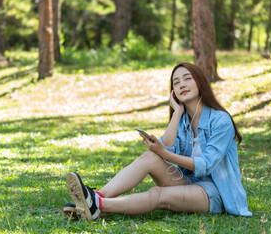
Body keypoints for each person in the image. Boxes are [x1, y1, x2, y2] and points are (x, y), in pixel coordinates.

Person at [64, 62, 252, 221]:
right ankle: (96, 197)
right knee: (150, 156)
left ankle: (97, 206)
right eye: (176, 82)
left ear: (200, 82)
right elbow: (166, 147)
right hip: (188, 182)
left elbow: (205, 165)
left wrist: (165, 153)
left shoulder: (221, 121)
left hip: (214, 192)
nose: (181, 85)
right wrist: (177, 114)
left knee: (157, 194)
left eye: (187, 78)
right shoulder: (183, 119)